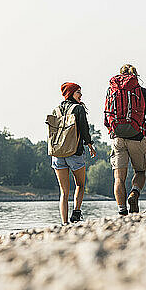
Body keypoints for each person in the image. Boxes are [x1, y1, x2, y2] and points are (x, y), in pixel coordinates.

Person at [104, 64, 146, 216]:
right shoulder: (144, 93)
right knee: (140, 171)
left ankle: (122, 211)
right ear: (136, 75)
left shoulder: (112, 91)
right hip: (137, 137)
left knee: (119, 178)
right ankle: (134, 193)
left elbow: (106, 119)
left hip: (118, 138)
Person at [51, 82, 96, 224]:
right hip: (74, 153)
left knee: (64, 192)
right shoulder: (78, 109)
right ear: (70, 93)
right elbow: (84, 129)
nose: (81, 95)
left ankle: (64, 223)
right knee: (80, 185)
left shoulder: (56, 110)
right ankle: (76, 212)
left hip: (57, 154)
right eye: (78, 92)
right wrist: (90, 146)